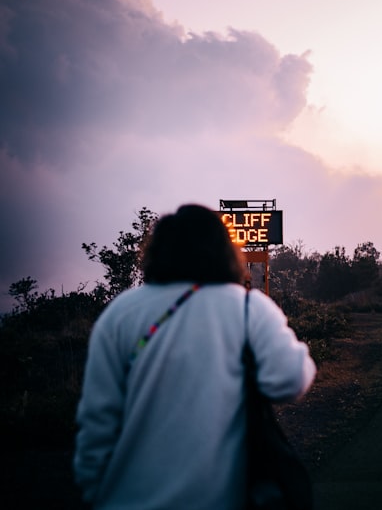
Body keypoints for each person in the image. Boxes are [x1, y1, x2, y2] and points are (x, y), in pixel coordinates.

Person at [73, 204, 316, 509]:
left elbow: (97, 421)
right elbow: (291, 380)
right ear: (225, 251)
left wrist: (94, 490)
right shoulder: (248, 309)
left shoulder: (120, 313)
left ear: (157, 250)